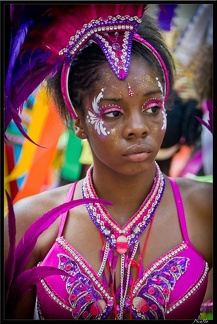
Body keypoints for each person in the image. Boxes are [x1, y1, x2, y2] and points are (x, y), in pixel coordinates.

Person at [4, 4, 212, 320]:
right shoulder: (29, 222)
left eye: (153, 108)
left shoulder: (206, 210)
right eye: (113, 113)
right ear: (78, 123)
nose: (138, 127)